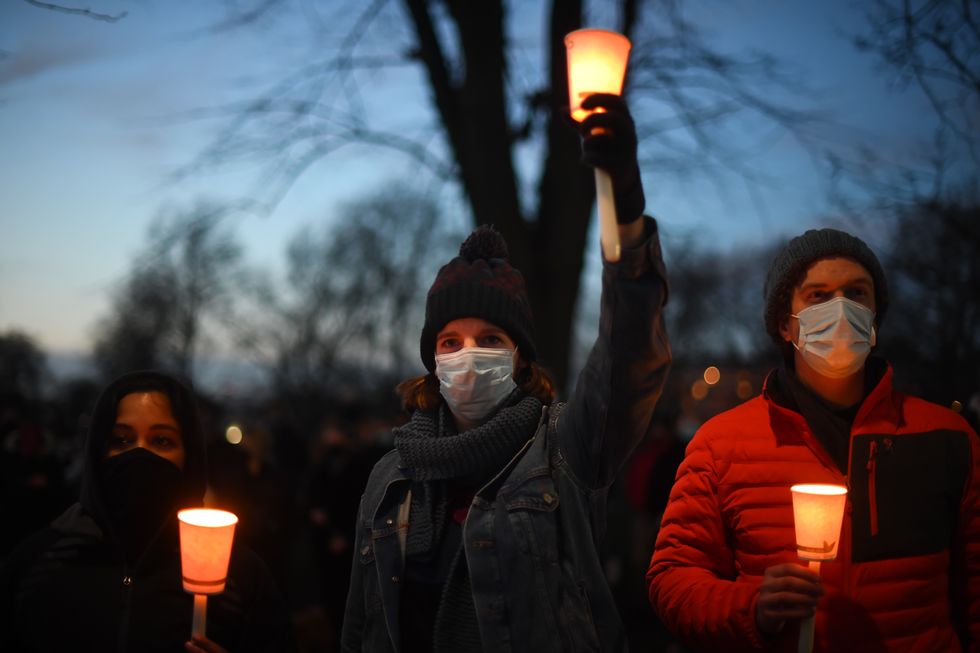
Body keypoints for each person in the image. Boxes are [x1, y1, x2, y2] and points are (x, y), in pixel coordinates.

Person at [341, 92, 671, 652]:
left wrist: (624, 208)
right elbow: (361, 628)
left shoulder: (566, 450)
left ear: (520, 357)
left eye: (490, 339)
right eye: (451, 341)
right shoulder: (390, 478)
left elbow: (630, 354)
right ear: (433, 361)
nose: (469, 354)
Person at [646, 228, 980, 652]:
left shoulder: (947, 436)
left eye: (857, 293)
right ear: (786, 325)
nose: (841, 308)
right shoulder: (721, 444)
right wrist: (752, 608)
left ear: (875, 316)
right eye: (818, 296)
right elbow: (673, 577)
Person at [0, 370, 295, 653]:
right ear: (97, 452)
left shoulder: (241, 577)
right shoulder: (35, 564)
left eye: (161, 441)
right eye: (122, 440)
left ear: (189, 455)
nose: (140, 454)